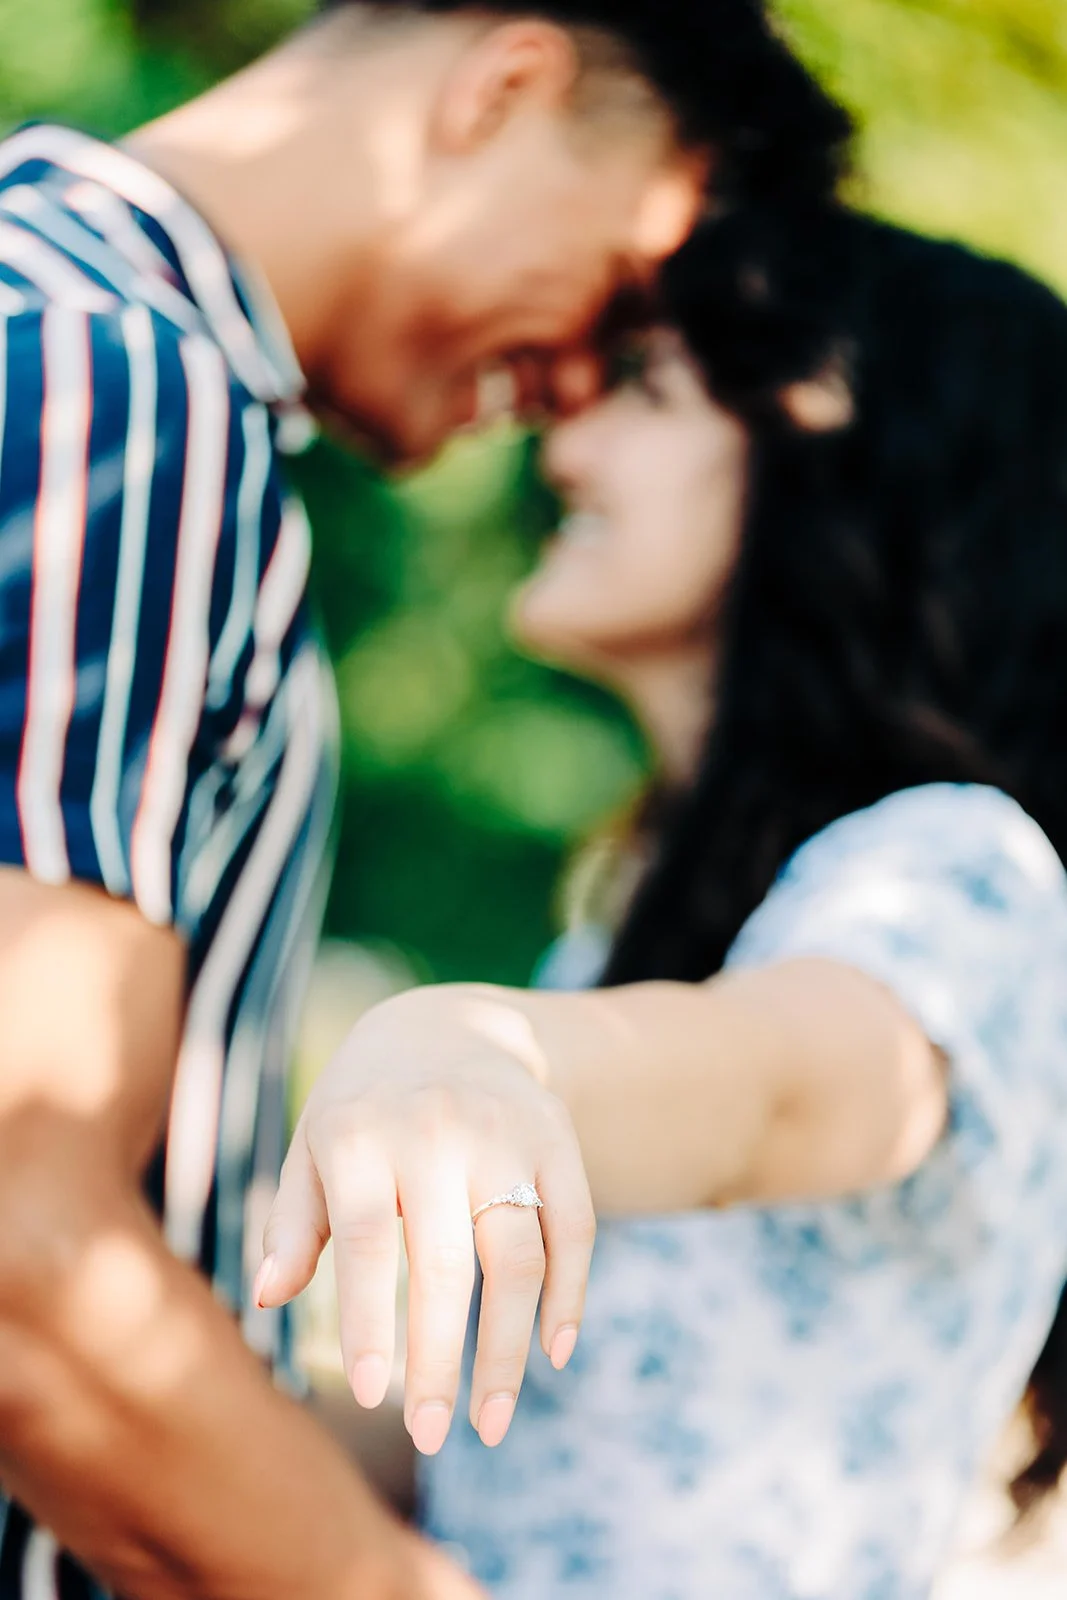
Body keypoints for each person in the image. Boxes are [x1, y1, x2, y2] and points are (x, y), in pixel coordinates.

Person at [0, 1, 852, 1595]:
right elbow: (15, 1235)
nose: (578, 388)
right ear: (502, 91)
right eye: (626, 282)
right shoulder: (113, 391)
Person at [265, 209, 1067, 1596]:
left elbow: (779, 1093)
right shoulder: (625, 929)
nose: (561, 444)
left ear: (845, 461)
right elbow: (478, 1459)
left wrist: (462, 1052)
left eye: (642, 390)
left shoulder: (959, 877)